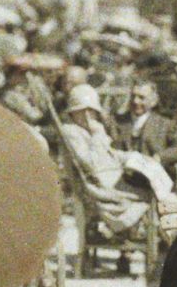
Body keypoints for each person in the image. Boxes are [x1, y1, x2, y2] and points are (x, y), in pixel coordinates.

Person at [59, 84, 152, 239]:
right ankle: (125, 231)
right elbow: (91, 163)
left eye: (93, 112)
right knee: (146, 194)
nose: (91, 116)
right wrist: (96, 135)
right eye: (87, 112)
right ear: (78, 112)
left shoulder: (90, 130)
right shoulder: (71, 132)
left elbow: (108, 153)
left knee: (149, 187)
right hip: (97, 186)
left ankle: (127, 232)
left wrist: (130, 156)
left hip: (109, 178)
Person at [119, 79, 177, 168]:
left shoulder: (164, 125)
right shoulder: (116, 121)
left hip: (149, 176)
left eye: (141, 97)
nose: (135, 101)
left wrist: (160, 157)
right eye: (133, 96)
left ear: (153, 102)